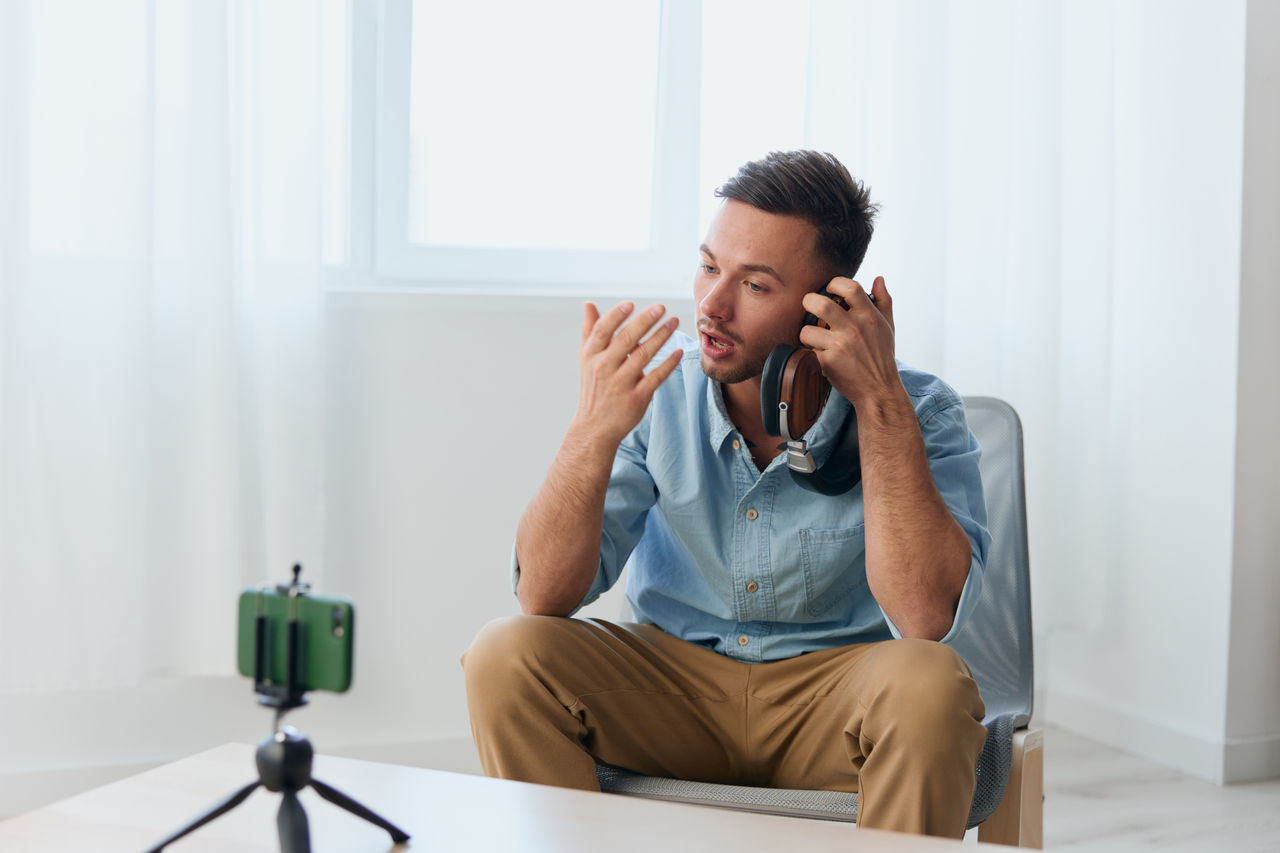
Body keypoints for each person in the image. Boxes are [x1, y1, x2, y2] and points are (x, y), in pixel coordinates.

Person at [462, 150, 990, 838]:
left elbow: (926, 619)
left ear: (828, 304)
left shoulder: (918, 410)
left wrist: (880, 401)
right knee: (505, 655)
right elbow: (544, 596)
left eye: (756, 284)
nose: (711, 305)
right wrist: (590, 431)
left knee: (931, 683)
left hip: (835, 704)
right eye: (710, 266)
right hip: (672, 694)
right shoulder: (658, 388)